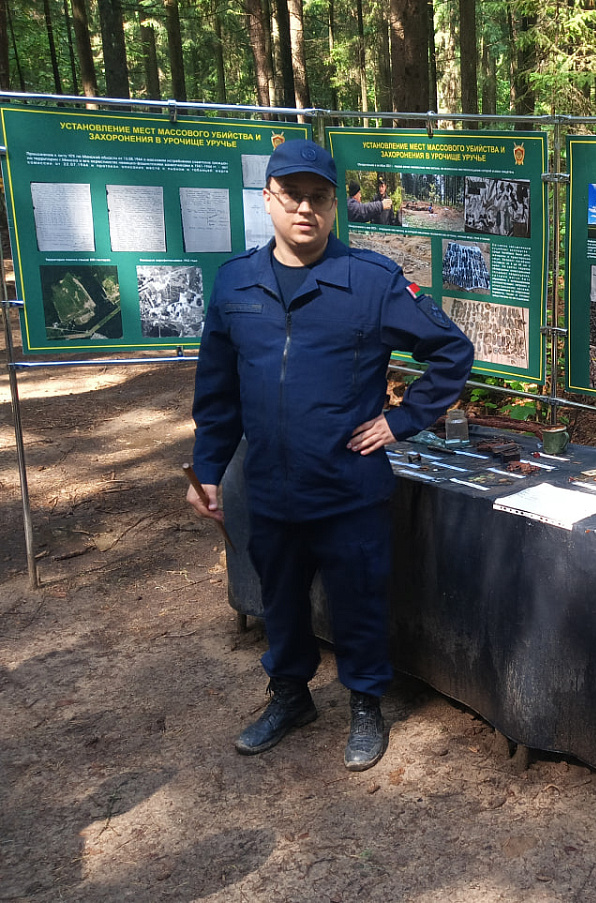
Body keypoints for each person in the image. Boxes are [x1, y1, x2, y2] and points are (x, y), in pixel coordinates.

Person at [186, 139, 474, 771]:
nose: (305, 209)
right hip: (268, 486)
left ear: (335, 204)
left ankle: (365, 704)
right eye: (292, 196)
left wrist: (401, 421)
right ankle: (290, 696)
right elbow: (218, 390)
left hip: (348, 487)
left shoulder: (370, 281)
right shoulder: (236, 283)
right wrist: (206, 469)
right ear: (267, 199)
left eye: (318, 197)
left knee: (359, 602)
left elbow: (452, 351)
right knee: (280, 601)